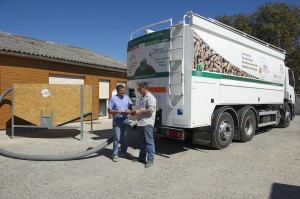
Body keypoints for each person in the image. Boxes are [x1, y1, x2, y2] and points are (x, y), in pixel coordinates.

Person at [131, 82, 156, 168]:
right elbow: (142, 110)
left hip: (147, 123)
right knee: (142, 142)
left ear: (144, 88)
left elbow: (151, 110)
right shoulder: (142, 97)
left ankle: (150, 160)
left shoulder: (151, 98)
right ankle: (141, 158)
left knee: (149, 142)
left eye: (140, 88)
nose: (138, 90)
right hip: (141, 123)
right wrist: (137, 115)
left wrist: (140, 111)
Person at [108, 84, 133, 162]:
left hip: (126, 119)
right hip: (117, 120)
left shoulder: (127, 97)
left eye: (124, 90)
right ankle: (115, 154)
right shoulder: (113, 99)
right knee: (117, 138)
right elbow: (109, 110)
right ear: (118, 91)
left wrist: (128, 110)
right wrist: (117, 111)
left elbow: (130, 107)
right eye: (122, 90)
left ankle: (123, 152)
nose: (124, 91)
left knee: (125, 138)